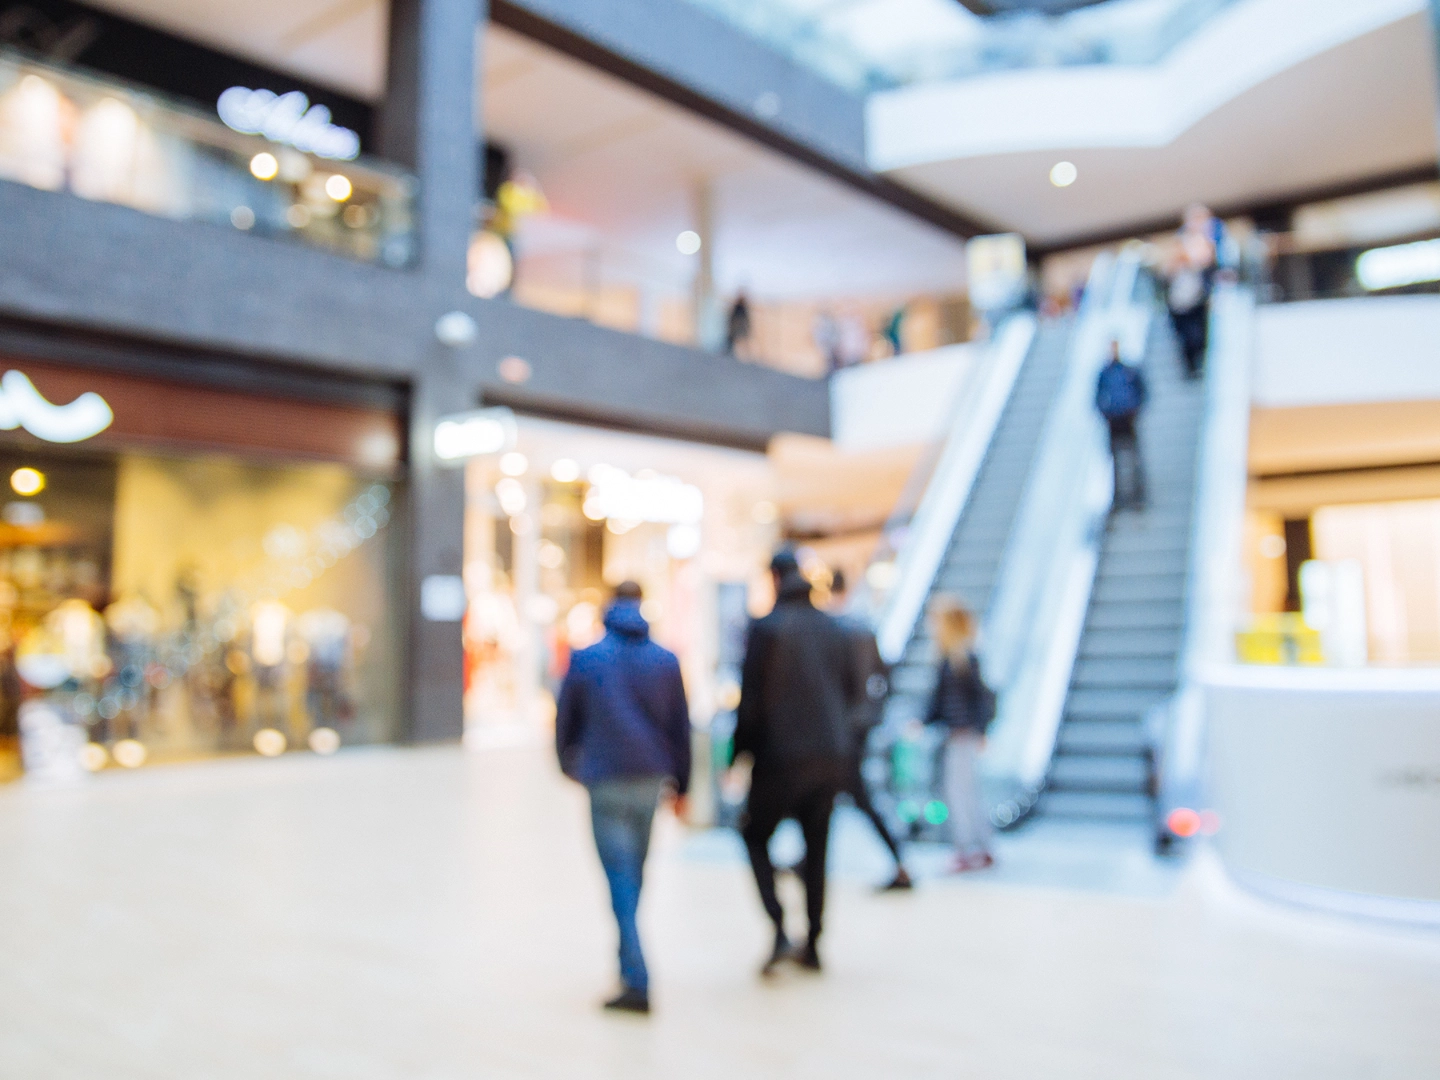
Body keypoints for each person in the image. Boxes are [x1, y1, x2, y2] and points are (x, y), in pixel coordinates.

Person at [555, 581, 691, 1015]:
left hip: (606, 780)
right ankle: (628, 962)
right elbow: (680, 729)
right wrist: (682, 785)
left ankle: (636, 975)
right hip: (649, 780)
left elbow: (565, 722)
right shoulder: (665, 660)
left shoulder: (586, 658)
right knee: (633, 870)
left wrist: (568, 764)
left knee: (620, 875)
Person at [733, 549, 862, 975]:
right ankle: (815, 941)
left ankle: (779, 926)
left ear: (774, 577)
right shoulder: (834, 628)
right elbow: (850, 694)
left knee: (754, 835)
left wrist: (738, 755)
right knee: (818, 848)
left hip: (780, 758)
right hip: (830, 757)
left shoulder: (767, 629)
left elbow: (750, 702)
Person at [827, 570, 912, 891]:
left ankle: (900, 861)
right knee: (833, 793)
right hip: (859, 725)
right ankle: (807, 858)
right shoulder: (863, 627)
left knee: (856, 795)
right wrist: (875, 712)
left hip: (844, 728)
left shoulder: (838, 630)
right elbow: (883, 673)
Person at [925, 598, 997, 872]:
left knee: (959, 794)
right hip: (956, 734)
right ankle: (981, 846)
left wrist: (981, 730)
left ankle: (967, 849)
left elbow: (980, 698)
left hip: (963, 735)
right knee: (966, 793)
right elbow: (939, 701)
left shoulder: (964, 658)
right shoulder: (950, 657)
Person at [1095, 340, 1148, 511]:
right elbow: (1097, 397)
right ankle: (1118, 496)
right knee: (1115, 459)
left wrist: (1134, 409)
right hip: (1113, 421)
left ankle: (1138, 493)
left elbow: (1142, 392)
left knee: (1133, 457)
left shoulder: (1129, 371)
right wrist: (1106, 413)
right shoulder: (1105, 373)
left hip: (1128, 419)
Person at [1168, 203, 1219, 379]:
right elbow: (1173, 268)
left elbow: (1207, 264)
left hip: (1198, 298)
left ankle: (1199, 365)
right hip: (1182, 299)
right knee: (1187, 337)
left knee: (1199, 336)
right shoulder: (1182, 240)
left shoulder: (1212, 239)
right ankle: (1191, 368)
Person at [725, 290, 752, 356]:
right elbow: (733, 318)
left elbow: (745, 318)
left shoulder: (742, 307)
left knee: (741, 341)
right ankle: (733, 353)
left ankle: (744, 354)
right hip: (737, 327)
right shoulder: (738, 307)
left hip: (740, 327)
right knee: (735, 341)